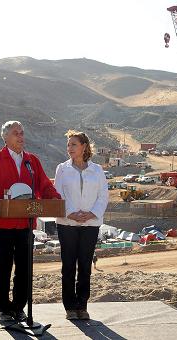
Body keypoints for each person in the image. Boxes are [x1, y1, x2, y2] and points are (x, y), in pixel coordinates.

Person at [0, 120, 61, 322]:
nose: (21, 137)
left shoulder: (32, 161)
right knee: (3, 269)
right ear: (5, 137)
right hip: (3, 227)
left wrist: (54, 198)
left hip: (25, 226)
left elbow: (44, 185)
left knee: (24, 270)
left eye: (22, 133)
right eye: (16, 133)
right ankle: (4, 309)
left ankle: (19, 307)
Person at [54, 130, 109, 320]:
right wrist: (71, 213)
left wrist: (91, 214)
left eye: (74, 144)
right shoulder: (62, 168)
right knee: (68, 265)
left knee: (85, 265)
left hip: (90, 224)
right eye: (68, 145)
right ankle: (70, 307)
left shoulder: (97, 170)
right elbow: (58, 194)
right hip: (67, 224)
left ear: (84, 147)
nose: (69, 148)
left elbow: (103, 196)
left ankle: (82, 306)